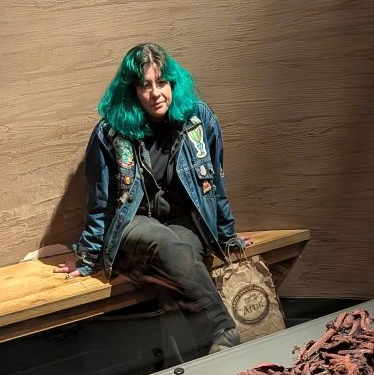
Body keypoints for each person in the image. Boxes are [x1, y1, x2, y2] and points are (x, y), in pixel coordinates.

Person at [57, 43, 252, 354]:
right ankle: (223, 331)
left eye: (162, 83)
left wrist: (227, 236)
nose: (156, 93)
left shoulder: (198, 120)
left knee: (177, 263)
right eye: (145, 85)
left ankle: (182, 365)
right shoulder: (110, 132)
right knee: (167, 244)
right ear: (132, 91)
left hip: (184, 219)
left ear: (173, 83)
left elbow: (214, 183)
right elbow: (100, 201)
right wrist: (88, 257)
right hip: (133, 222)